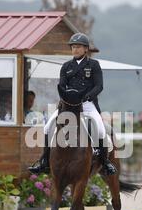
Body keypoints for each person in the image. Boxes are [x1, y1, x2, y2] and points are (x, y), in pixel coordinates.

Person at [28, 32, 117, 175]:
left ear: (86, 49)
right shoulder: (66, 66)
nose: (75, 49)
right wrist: (68, 97)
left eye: (78, 47)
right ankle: (44, 160)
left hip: (87, 103)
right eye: (73, 47)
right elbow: (62, 86)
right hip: (68, 104)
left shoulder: (93, 65)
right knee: (47, 127)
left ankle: (105, 162)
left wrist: (86, 96)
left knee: (100, 128)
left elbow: (99, 86)